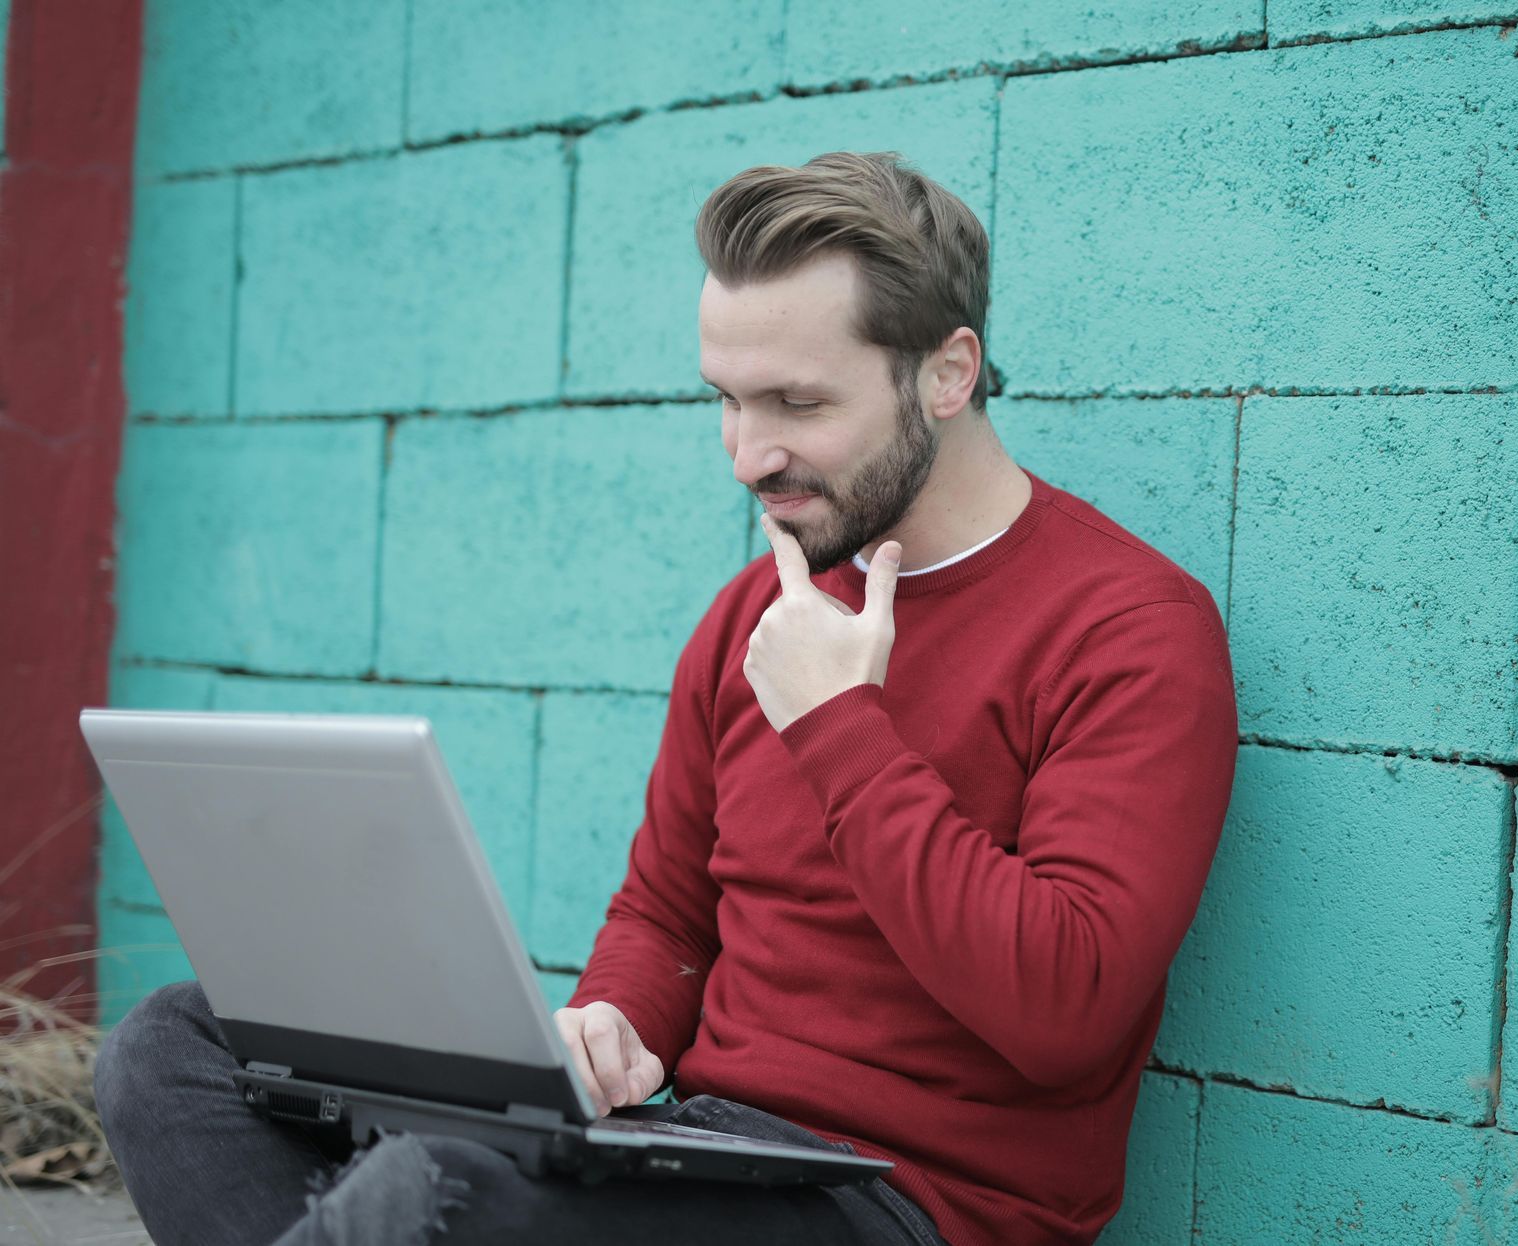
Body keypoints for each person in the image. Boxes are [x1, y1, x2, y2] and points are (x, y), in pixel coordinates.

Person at [93, 150, 1239, 1246]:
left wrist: (841, 728)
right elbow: (667, 916)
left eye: (795, 403)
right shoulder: (752, 613)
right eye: (728, 401)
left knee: (436, 1190)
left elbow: (1065, 1011)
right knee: (176, 1044)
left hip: (902, 1206)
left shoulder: (1129, 627)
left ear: (948, 372)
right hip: (691, 1143)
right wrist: (615, 1027)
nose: (748, 454)